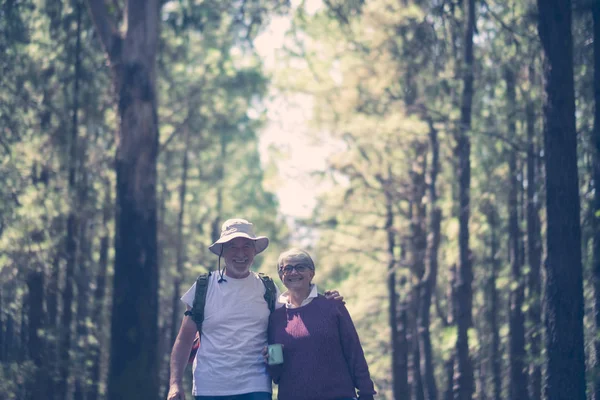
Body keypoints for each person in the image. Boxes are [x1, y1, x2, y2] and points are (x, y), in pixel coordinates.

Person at [167, 219, 341, 400]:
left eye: (247, 246)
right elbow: (184, 339)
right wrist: (175, 384)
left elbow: (292, 319)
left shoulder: (267, 287)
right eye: (233, 246)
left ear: (254, 251)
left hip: (256, 386)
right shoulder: (203, 287)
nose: (240, 253)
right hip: (210, 387)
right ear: (222, 251)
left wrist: (325, 303)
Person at [266, 248, 376, 400]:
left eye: (300, 267)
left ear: (311, 273)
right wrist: (271, 362)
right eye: (287, 268)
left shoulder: (332, 306)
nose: (293, 272)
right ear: (281, 275)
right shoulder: (275, 318)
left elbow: (354, 352)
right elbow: (276, 376)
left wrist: (366, 393)